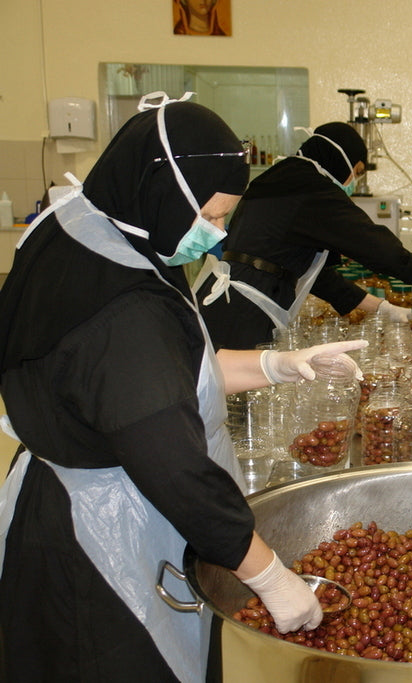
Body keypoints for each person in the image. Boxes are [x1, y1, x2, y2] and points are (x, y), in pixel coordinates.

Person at [0, 93, 367, 681]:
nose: (217, 237)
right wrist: (269, 574)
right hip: (100, 536)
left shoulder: (89, 227)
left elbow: (143, 380)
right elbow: (170, 465)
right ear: (165, 191)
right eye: (213, 217)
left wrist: (278, 365)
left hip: (53, 493)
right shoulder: (126, 310)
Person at [195, 122, 412, 350]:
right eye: (356, 172)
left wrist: (383, 308)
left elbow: (317, 276)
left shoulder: (282, 177)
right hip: (243, 310)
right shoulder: (309, 187)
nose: (353, 181)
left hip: (230, 301)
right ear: (341, 160)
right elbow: (370, 241)